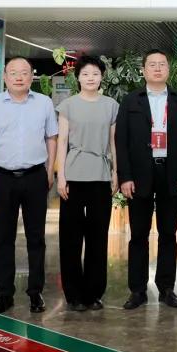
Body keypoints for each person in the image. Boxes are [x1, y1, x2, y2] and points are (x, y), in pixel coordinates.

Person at [116, 49, 177, 310]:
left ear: (168, 69)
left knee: (168, 234)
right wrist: (125, 177)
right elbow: (121, 142)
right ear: (144, 70)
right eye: (152, 64)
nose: (157, 68)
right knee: (138, 235)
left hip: (171, 174)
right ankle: (137, 290)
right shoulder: (131, 101)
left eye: (162, 64)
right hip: (139, 174)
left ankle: (166, 288)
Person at [0, 57, 59, 315]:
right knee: (4, 238)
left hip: (35, 176)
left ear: (32, 76)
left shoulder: (44, 103)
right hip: (3, 177)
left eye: (24, 72)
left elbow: (52, 138)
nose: (19, 77)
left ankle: (35, 293)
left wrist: (49, 171)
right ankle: (4, 294)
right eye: (13, 73)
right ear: (5, 77)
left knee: (36, 237)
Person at [56, 56, 118, 312]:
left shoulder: (111, 106)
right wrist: (61, 176)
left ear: (102, 77)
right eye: (85, 74)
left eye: (95, 73)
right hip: (73, 174)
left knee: (97, 237)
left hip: (101, 175)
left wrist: (116, 173)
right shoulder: (68, 105)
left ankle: (93, 293)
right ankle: (73, 294)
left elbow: (113, 142)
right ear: (78, 78)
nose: (90, 78)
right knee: (70, 237)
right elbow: (61, 142)